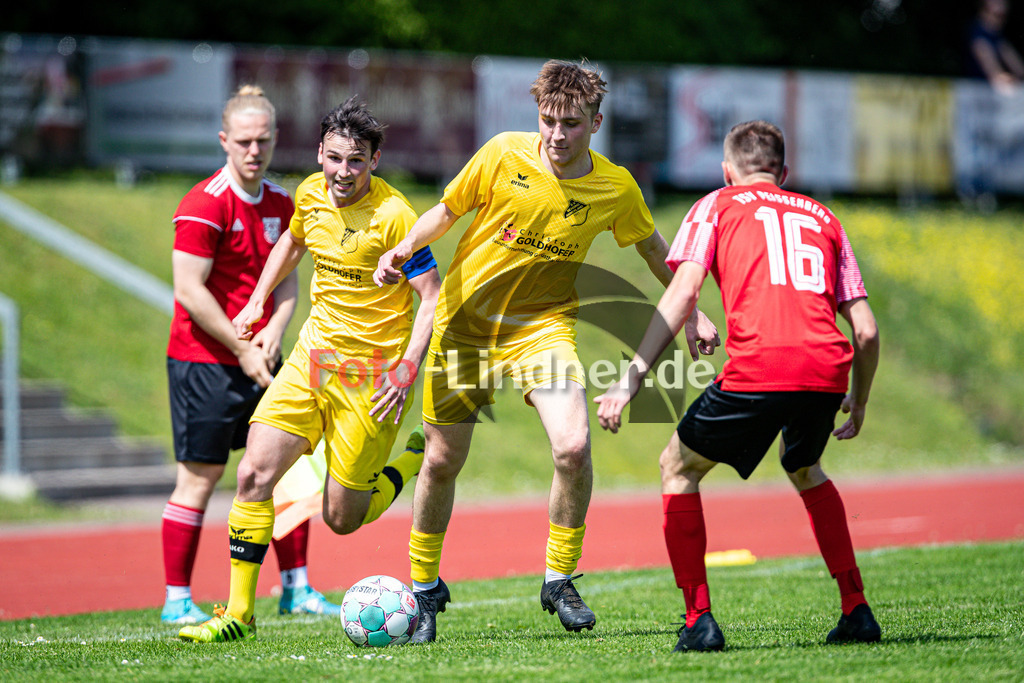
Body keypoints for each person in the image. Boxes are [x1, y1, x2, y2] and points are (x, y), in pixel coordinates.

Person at [373, 59, 719, 643]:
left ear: (596, 123)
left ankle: (559, 578)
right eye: (548, 121)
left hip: (543, 328)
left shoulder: (615, 187)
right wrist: (404, 246)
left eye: (571, 124)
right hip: (466, 325)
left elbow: (654, 249)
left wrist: (694, 309)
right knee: (441, 460)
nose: (557, 135)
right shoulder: (502, 153)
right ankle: (425, 589)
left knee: (574, 446)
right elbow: (446, 211)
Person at [595, 120, 882, 652]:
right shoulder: (825, 218)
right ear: (783, 172)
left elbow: (683, 293)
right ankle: (856, 608)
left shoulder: (716, 205)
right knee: (804, 467)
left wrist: (630, 378)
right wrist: (859, 401)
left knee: (677, 467)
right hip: (826, 369)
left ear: (727, 171)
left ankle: (698, 621)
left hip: (761, 366)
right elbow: (864, 330)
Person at [178, 96, 440, 643]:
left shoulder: (396, 217)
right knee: (253, 474)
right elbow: (293, 241)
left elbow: (433, 297)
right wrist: (258, 299)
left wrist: (406, 369)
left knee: (342, 519)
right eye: (335, 158)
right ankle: (239, 616)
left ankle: (411, 460)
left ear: (374, 161)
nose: (343, 172)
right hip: (312, 361)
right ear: (320, 152)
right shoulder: (309, 194)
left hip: (372, 380)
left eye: (356, 161)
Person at [162, 85, 340, 624]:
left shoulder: (284, 202)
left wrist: (276, 331)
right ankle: (177, 600)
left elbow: (288, 280)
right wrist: (241, 348)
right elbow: (189, 290)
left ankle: (296, 589)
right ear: (224, 140)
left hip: (263, 358)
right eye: (243, 141)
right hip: (204, 361)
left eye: (263, 140)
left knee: (282, 471)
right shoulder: (204, 203)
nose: (254, 151)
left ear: (276, 138)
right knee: (200, 477)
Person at [966, 0, 1024, 95]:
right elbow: (993, 72)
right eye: (997, 15)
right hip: (975, 92)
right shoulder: (978, 35)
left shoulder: (997, 36)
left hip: (988, 92)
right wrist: (1004, 79)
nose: (1001, 20)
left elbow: (1015, 63)